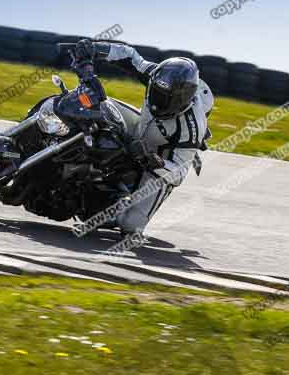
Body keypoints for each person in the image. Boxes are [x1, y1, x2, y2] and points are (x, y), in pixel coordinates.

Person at [74, 39, 214, 237]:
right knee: (97, 108)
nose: (160, 100)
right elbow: (129, 55)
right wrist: (95, 48)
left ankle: (114, 203)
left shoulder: (191, 129)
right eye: (158, 92)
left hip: (157, 157)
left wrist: (154, 161)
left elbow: (179, 173)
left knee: (130, 226)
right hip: (141, 127)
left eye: (168, 98)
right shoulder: (156, 75)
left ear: (184, 100)